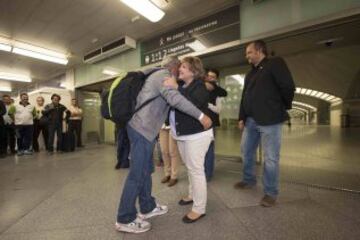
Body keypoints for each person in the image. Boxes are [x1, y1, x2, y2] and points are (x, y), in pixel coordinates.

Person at [115, 56, 212, 234]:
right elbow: (175, 99)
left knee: (145, 170)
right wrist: (201, 116)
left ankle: (147, 206)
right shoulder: (164, 76)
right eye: (180, 67)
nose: (180, 70)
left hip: (143, 129)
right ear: (174, 67)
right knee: (137, 173)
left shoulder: (155, 73)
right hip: (142, 129)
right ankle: (125, 217)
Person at [234, 40, 295, 207]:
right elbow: (244, 96)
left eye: (249, 52)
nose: (247, 56)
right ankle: (248, 180)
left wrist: (282, 105)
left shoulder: (275, 64)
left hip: (270, 120)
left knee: (270, 158)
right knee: (246, 151)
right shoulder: (250, 74)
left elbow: (288, 86)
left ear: (260, 51)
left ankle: (270, 193)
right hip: (251, 120)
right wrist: (242, 117)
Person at [165, 56, 213, 223]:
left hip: (197, 135)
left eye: (184, 67)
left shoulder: (199, 86)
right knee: (190, 167)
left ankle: (199, 209)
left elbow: (192, 103)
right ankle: (193, 195)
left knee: (196, 170)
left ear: (193, 71)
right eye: (181, 67)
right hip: (183, 134)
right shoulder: (183, 86)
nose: (180, 69)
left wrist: (176, 87)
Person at [203, 68, 227, 181]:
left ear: (216, 78)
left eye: (213, 77)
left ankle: (208, 174)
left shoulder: (218, 92)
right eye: (209, 76)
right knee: (201, 148)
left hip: (211, 123)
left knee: (209, 149)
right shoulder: (201, 87)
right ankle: (201, 172)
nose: (210, 78)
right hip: (199, 122)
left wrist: (208, 105)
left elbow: (218, 110)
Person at [159, 119, 180, 187]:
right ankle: (167, 174)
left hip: (173, 124)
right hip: (162, 125)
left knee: (173, 151)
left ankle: (174, 176)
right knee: (164, 150)